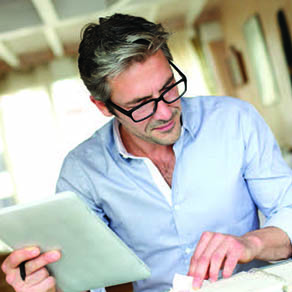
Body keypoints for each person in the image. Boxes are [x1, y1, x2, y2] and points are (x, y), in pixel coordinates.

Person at [2, 13, 292, 292]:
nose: (166, 112)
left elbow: (287, 208)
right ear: (103, 107)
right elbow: (86, 280)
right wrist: (50, 286)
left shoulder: (235, 119)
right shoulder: (82, 172)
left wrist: (251, 244)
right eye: (141, 104)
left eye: (168, 88)